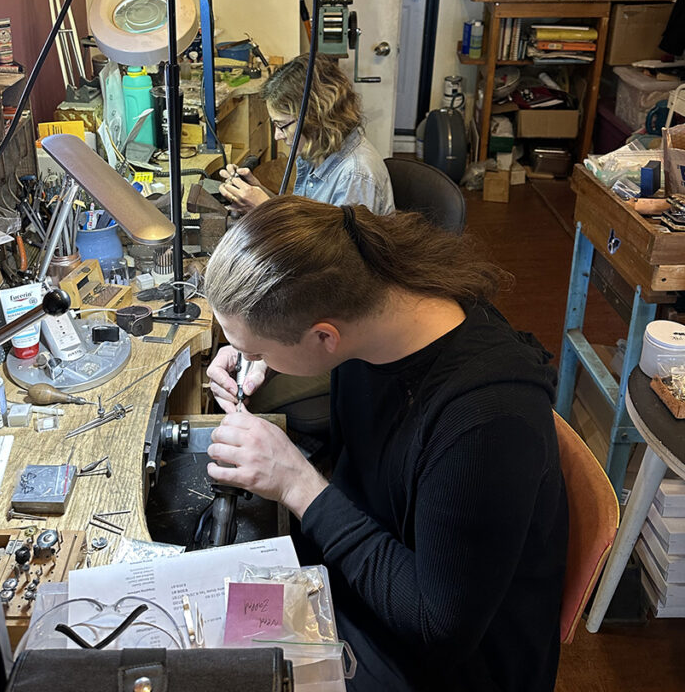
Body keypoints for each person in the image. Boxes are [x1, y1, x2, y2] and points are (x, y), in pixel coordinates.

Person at [204, 197, 568, 692]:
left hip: (448, 662)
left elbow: (438, 627)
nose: (246, 360)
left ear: (323, 337)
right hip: (372, 580)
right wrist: (261, 349)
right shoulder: (379, 301)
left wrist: (299, 486)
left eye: (255, 352)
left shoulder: (486, 421)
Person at [218, 54, 394, 215]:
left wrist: (263, 210)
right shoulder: (317, 150)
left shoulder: (355, 176)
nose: (277, 136)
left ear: (315, 118)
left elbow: (336, 249)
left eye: (282, 125)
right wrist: (258, 194)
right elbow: (307, 222)